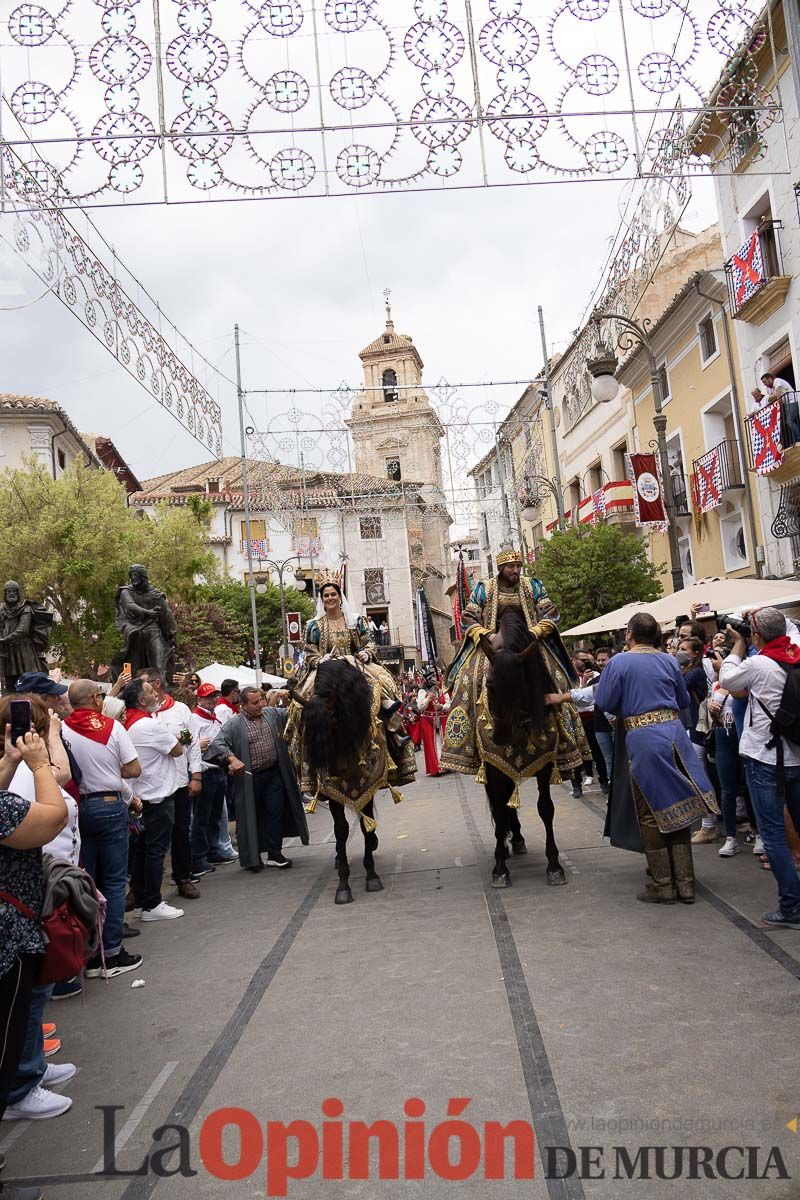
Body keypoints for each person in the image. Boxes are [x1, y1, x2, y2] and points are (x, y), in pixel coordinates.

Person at [571, 612, 719, 904]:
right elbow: (683, 700)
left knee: (650, 812)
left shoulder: (619, 662)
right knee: (680, 806)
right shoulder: (668, 659)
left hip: (644, 738)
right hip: (675, 735)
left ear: (629, 634)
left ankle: (663, 884)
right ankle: (686, 884)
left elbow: (605, 702)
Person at [442, 542, 588, 781]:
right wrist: (485, 634)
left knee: (558, 678)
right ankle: (465, 746)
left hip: (530, 642)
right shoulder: (484, 588)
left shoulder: (532, 586)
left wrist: (538, 631)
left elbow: (551, 611)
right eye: (511, 566)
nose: (516, 570)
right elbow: (467, 616)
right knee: (468, 679)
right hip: (492, 643)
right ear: (501, 568)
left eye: (518, 565)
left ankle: (566, 745)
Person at [2, 697, 78, 1123]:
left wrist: (17, 760)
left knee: (32, 997)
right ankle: (18, 1085)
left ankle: (27, 1068)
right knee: (18, 1008)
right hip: (9, 924)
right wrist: (35, 764)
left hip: (23, 908)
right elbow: (54, 816)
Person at [719, 607, 800, 929]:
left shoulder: (759, 663)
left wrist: (737, 643)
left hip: (764, 758)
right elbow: (788, 627)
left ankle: (791, 907)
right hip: (795, 754)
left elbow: (726, 678)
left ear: (756, 636)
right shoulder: (795, 651)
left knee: (774, 834)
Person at [302, 570, 413, 782]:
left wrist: (365, 652)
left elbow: (368, 642)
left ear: (339, 596)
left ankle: (394, 731)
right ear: (322, 600)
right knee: (302, 703)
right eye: (326, 595)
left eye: (333, 594)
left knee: (383, 683)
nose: (330, 598)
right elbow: (308, 651)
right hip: (326, 669)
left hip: (353, 665)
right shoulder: (313, 625)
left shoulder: (356, 620)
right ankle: (305, 753)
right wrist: (320, 659)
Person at [65, 680, 143, 977]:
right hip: (110, 805)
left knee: (87, 881)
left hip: (78, 807)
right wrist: (110, 768)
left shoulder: (60, 729)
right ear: (97, 699)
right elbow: (134, 768)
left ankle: (89, 956)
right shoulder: (113, 727)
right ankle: (111, 953)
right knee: (113, 881)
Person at [204, 687, 309, 872]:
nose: (260, 705)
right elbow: (217, 744)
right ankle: (253, 857)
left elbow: (294, 714)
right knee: (251, 816)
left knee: (275, 812)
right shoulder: (234, 724)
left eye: (261, 700)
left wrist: (289, 698)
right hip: (249, 778)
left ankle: (275, 854)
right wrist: (232, 758)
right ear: (243, 705)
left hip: (274, 774)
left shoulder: (271, 714)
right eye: (255, 703)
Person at [122, 678, 185, 922]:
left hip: (141, 796)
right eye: (150, 691)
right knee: (155, 851)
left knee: (142, 851)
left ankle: (142, 900)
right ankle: (152, 903)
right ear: (141, 700)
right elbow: (177, 749)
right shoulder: (148, 725)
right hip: (157, 796)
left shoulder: (129, 723)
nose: (156, 693)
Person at [138, 669, 202, 901]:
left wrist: (196, 775)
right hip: (150, 787)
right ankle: (140, 888)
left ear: (156, 684)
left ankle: (183, 877)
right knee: (147, 839)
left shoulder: (180, 710)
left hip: (179, 783)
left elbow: (192, 744)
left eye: (142, 684)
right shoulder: (139, 715)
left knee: (181, 832)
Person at [189, 684, 232, 877]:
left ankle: (213, 851)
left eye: (215, 696)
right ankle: (199, 857)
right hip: (205, 771)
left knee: (215, 816)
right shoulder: (195, 719)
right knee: (201, 817)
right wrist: (198, 745)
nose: (213, 699)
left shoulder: (215, 717)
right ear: (199, 699)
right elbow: (189, 745)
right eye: (208, 697)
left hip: (218, 770)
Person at [115, 564, 177, 679]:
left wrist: (171, 634)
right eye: (131, 575)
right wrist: (149, 612)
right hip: (134, 630)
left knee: (159, 664)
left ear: (143, 576)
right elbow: (130, 606)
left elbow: (166, 614)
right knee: (134, 666)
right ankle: (132, 690)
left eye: (135, 575)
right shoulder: (126, 592)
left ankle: (161, 690)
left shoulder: (156, 594)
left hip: (153, 630)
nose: (133, 578)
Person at [0, 582, 52, 694]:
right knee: (9, 683)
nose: (11, 594)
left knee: (28, 681)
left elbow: (23, 630)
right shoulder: (1, 608)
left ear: (18, 593)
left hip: (24, 650)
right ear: (5, 593)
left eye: (14, 591)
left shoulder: (25, 608)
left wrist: (4, 639)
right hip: (7, 651)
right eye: (8, 591)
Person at [416, 676, 450, 777]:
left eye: (436, 681)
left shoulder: (443, 691)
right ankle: (435, 767)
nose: (435, 683)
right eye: (433, 680)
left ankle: (445, 765)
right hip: (428, 721)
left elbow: (450, 704)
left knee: (443, 742)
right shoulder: (422, 692)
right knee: (431, 744)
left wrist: (442, 707)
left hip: (442, 720)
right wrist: (428, 699)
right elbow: (420, 707)